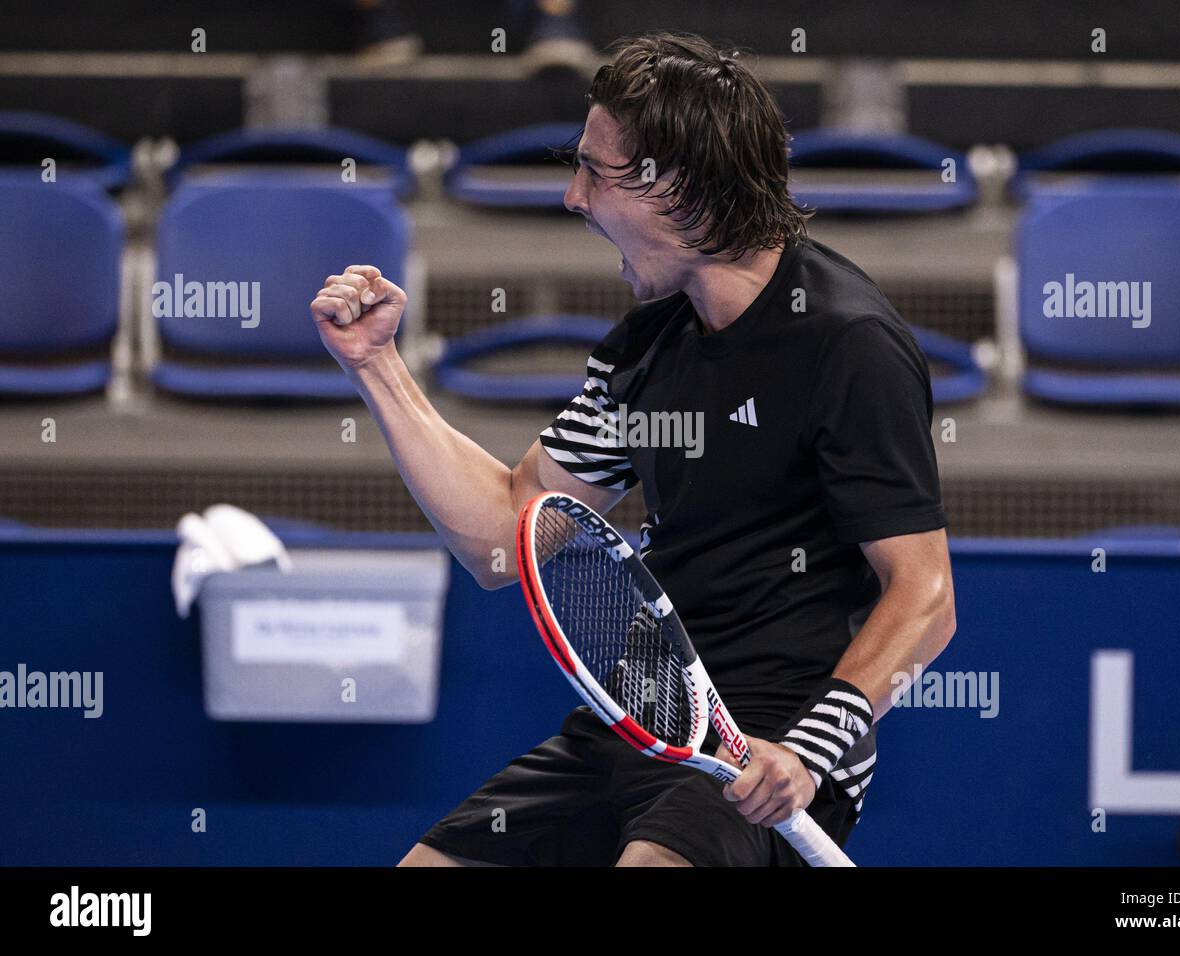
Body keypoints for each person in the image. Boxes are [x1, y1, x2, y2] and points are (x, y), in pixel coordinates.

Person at [311, 32, 956, 867]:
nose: (574, 197)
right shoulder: (649, 345)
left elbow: (927, 595)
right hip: (650, 715)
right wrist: (379, 367)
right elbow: (507, 536)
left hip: (776, 736)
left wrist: (806, 750)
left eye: (593, 171)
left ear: (677, 186)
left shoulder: (847, 345)